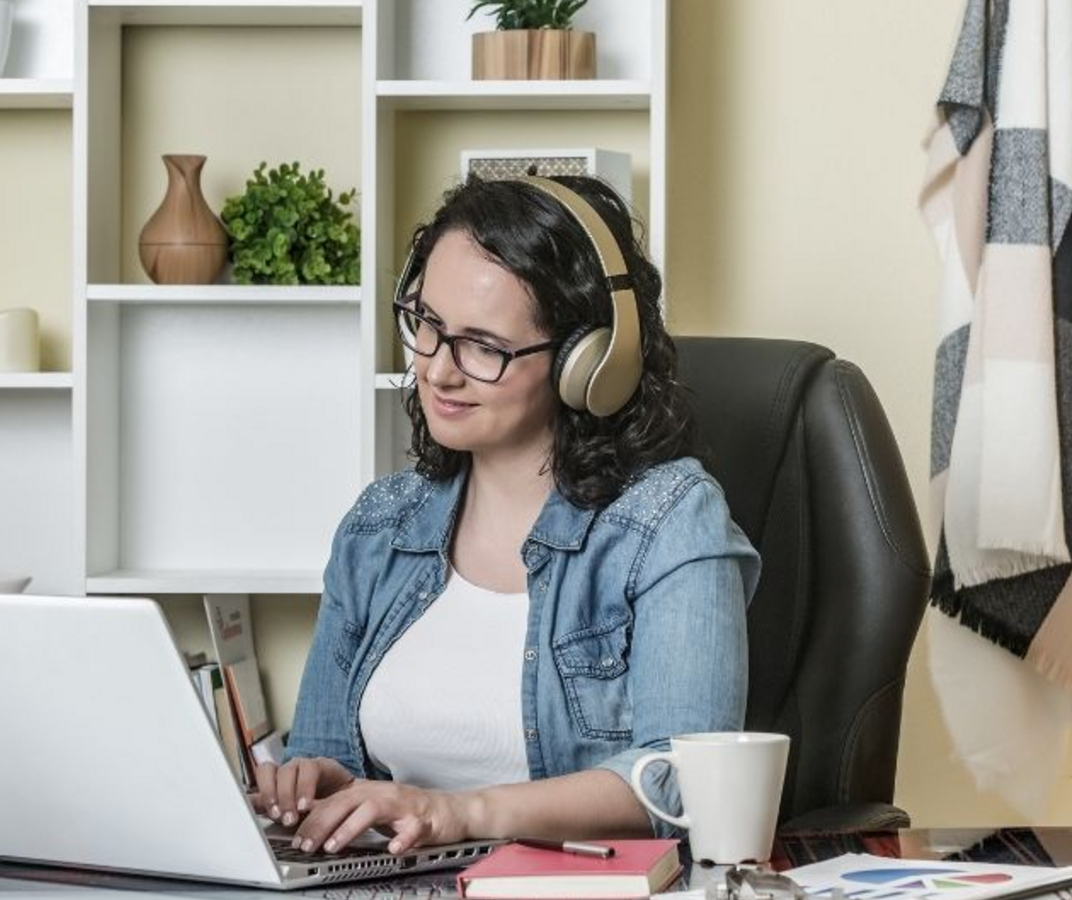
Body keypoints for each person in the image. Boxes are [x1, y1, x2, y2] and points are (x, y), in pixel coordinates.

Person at [253, 174, 759, 857]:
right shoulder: (378, 527)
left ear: (590, 361)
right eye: (427, 325)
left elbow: (681, 781)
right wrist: (319, 783)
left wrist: (457, 812)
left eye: (482, 346)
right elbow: (325, 750)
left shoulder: (668, 521)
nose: (436, 371)